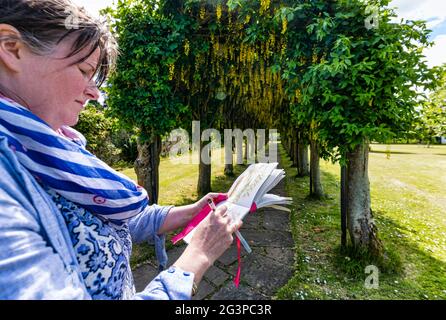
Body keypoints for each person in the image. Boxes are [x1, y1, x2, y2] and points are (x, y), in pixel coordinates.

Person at [0, 0, 241, 300]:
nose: (94, 92)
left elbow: (112, 218)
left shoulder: (59, 146)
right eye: (83, 70)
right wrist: (198, 257)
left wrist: (188, 213)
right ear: (11, 48)